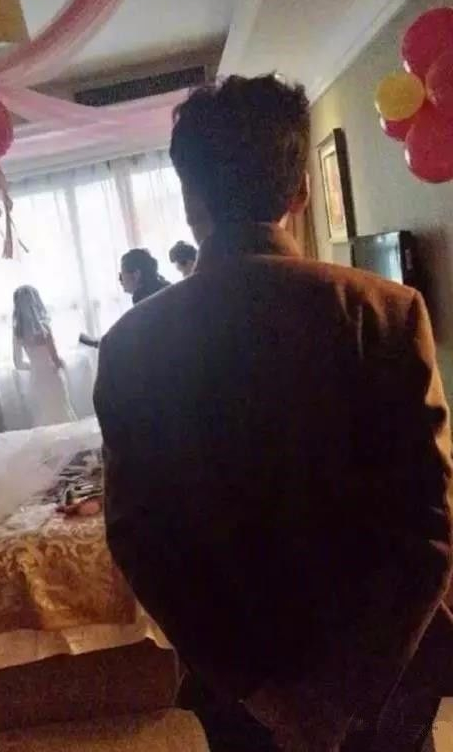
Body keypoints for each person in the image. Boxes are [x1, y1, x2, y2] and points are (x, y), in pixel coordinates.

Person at [94, 75, 453, 751]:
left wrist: (261, 694)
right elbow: (428, 525)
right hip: (384, 682)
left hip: (239, 689)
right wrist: (350, 695)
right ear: (301, 191)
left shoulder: (130, 346)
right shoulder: (387, 312)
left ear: (190, 198)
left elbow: (141, 541)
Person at [13, 285, 77, 427]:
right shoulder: (44, 329)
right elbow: (55, 359)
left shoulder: (18, 333)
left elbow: (18, 363)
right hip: (51, 376)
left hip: (36, 379)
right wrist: (62, 365)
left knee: (43, 418)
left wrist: (35, 366)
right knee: (62, 414)